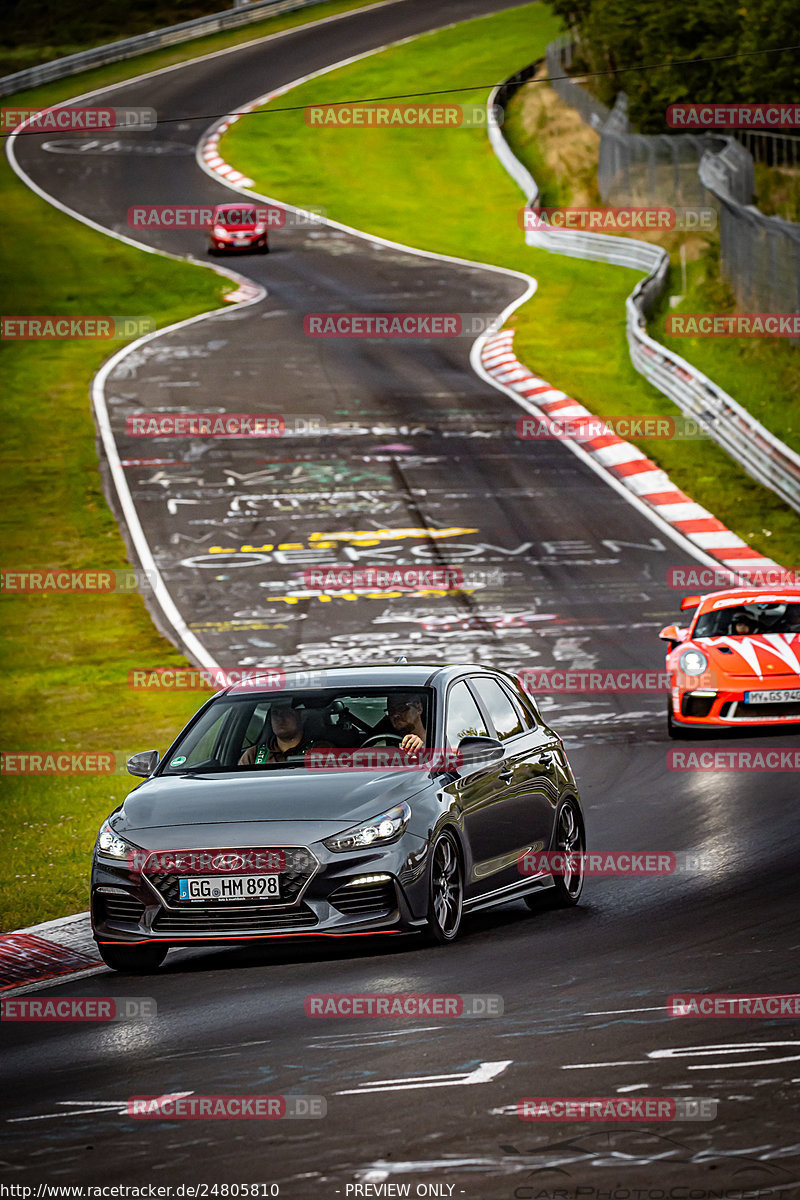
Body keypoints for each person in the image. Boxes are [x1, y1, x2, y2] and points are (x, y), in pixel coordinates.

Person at [238, 700, 326, 765]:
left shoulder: (322, 750)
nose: (279, 718)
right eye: (275, 713)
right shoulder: (254, 755)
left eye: (287, 713)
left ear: (302, 717)